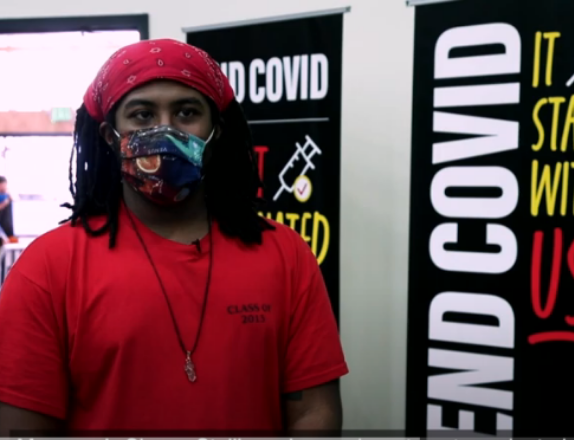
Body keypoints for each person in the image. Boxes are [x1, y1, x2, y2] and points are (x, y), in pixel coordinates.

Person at [0, 39, 347, 435]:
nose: (164, 130)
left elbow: (313, 414)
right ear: (110, 136)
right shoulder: (47, 268)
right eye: (142, 114)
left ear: (216, 131)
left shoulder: (286, 254)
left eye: (186, 112)